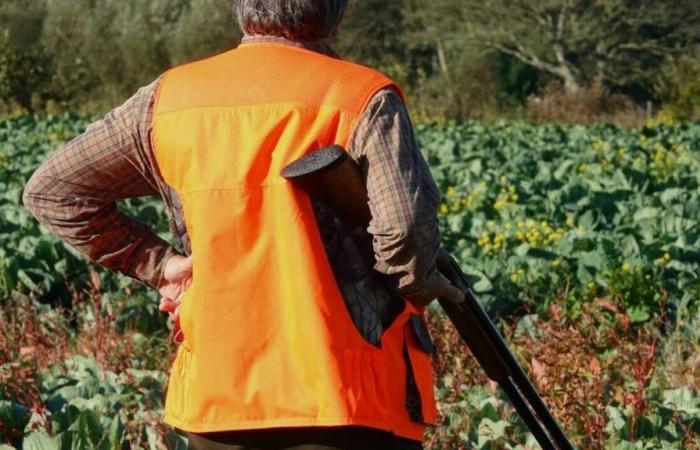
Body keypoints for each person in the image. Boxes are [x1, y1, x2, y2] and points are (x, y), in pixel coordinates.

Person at [23, 1, 463, 449]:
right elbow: (404, 230)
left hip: (219, 400)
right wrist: (419, 280)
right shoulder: (362, 97)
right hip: (346, 397)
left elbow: (53, 191)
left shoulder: (167, 99)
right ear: (339, 12)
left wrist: (160, 266)